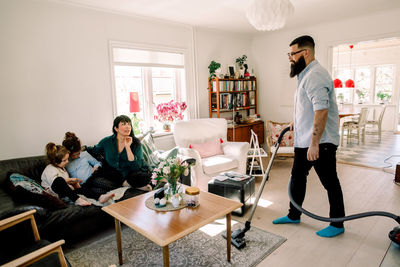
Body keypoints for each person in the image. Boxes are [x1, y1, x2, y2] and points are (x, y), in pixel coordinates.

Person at [273, 35, 345, 238]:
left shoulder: (315, 75)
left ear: (306, 52)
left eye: (292, 53)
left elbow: (321, 111)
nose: (290, 58)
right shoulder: (305, 74)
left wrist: (314, 144)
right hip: (305, 140)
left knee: (330, 183)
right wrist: (296, 121)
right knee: (297, 177)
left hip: (320, 143)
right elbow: (309, 106)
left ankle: (338, 224)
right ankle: (294, 214)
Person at [87, 115, 152, 190]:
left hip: (132, 173)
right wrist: (81, 148)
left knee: (141, 177)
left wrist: (127, 147)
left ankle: (128, 184)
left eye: (129, 124)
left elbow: (136, 167)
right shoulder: (107, 142)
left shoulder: (136, 143)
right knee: (98, 178)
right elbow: (94, 150)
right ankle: (129, 185)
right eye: (123, 124)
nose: (127, 127)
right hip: (114, 174)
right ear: (116, 128)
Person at [41, 143, 115, 206]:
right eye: (64, 160)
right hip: (55, 194)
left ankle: (100, 197)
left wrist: (74, 184)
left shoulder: (62, 168)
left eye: (67, 159)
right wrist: (69, 180)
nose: (67, 162)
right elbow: (55, 184)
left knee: (82, 189)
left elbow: (67, 186)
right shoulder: (49, 169)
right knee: (59, 180)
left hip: (67, 192)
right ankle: (77, 200)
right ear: (55, 162)